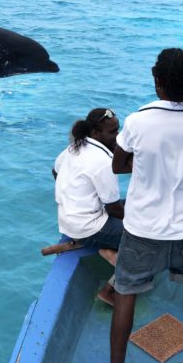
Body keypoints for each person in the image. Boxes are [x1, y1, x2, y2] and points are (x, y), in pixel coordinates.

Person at [86, 48, 183, 363]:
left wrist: (144, 165)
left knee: (126, 294)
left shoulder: (140, 120)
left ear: (157, 80)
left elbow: (118, 164)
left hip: (144, 228)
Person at [54, 108, 124, 305]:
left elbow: (55, 170)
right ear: (96, 133)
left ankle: (104, 247)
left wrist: (74, 198)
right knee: (145, 238)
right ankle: (110, 291)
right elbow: (115, 210)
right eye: (112, 132)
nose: (117, 137)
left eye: (118, 130)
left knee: (135, 208)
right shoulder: (103, 161)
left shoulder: (73, 147)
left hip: (69, 221)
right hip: (88, 227)